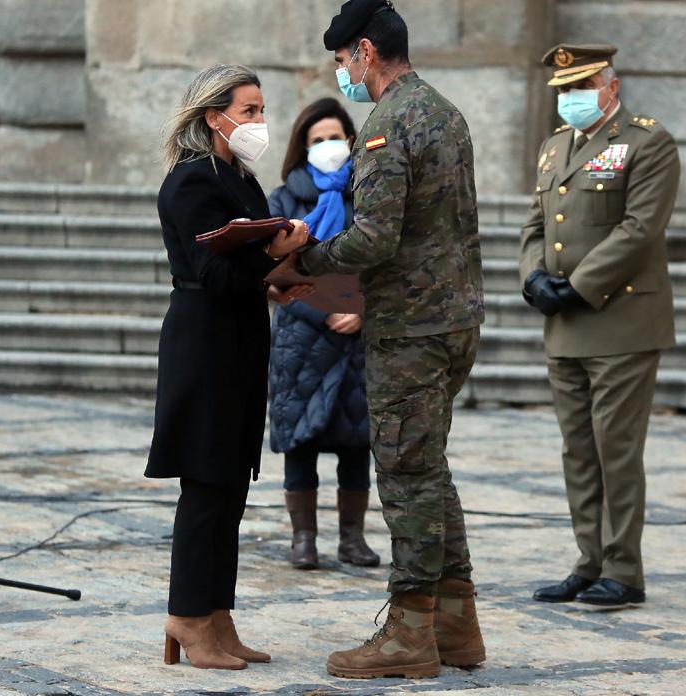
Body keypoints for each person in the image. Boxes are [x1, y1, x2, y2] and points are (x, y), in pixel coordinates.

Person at [297, 0, 486, 679]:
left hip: (410, 327)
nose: (342, 72)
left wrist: (305, 262)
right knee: (429, 469)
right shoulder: (443, 111)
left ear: (365, 53)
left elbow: (374, 236)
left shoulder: (385, 124)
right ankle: (456, 625)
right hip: (455, 319)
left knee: (406, 476)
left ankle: (409, 633)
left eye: (342, 59)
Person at [145, 63, 310, 671]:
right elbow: (208, 274)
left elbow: (241, 270)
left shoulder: (239, 178)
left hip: (240, 340)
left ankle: (217, 614)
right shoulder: (190, 183)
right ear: (214, 117)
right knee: (206, 486)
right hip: (204, 346)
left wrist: (278, 280)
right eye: (249, 110)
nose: (259, 122)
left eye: (263, 110)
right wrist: (272, 252)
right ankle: (186, 617)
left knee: (232, 486)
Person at [519, 44, 679, 609]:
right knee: (578, 451)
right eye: (563, 91)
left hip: (621, 321)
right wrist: (533, 276)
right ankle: (589, 562)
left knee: (616, 448)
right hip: (565, 324)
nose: (571, 99)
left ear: (611, 87)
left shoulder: (646, 141)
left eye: (581, 88)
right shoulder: (556, 145)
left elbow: (640, 229)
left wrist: (579, 285)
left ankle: (624, 570)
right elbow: (536, 223)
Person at [267, 97, 380, 570]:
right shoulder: (283, 199)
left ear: (351, 142)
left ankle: (352, 539)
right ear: (302, 147)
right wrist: (324, 313)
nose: (328, 147)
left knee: (357, 442)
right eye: (318, 141)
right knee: (301, 440)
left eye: (335, 138)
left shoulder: (371, 195)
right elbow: (274, 271)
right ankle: (304, 539)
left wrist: (362, 313)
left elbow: (384, 264)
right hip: (302, 337)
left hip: (359, 335)